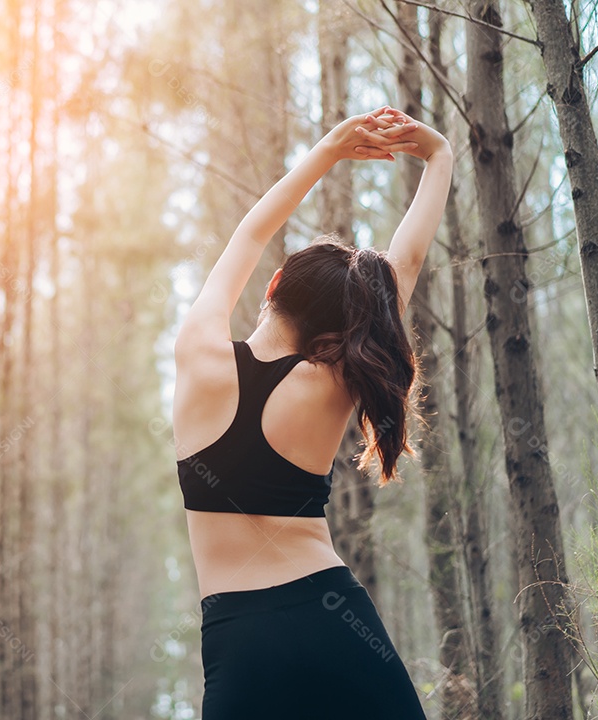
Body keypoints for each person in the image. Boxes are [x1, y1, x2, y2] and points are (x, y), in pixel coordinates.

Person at [173, 105, 452, 718]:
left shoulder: (197, 355)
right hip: (331, 616)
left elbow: (246, 235)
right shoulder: (333, 382)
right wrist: (439, 158)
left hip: (239, 645)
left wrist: (327, 150)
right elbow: (401, 268)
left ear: (272, 285)